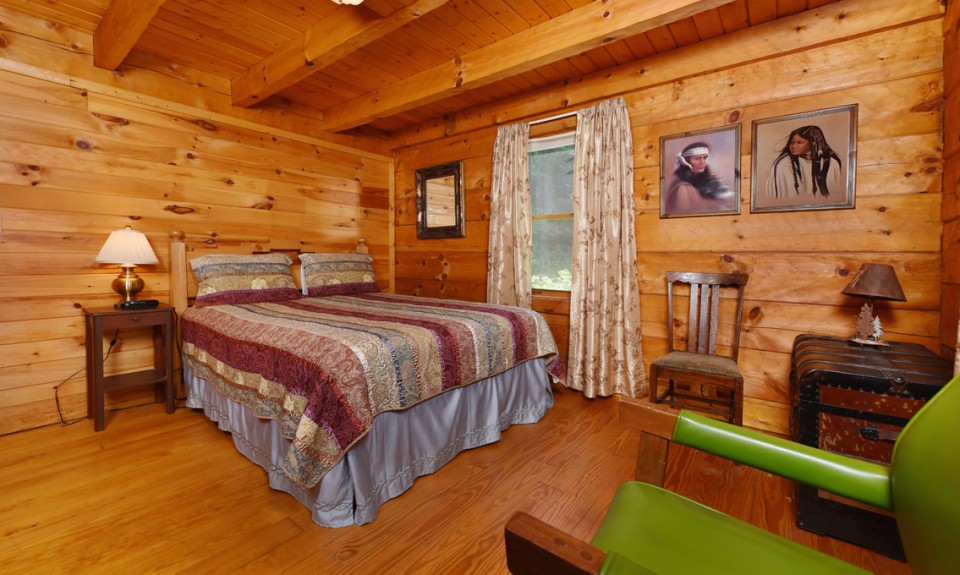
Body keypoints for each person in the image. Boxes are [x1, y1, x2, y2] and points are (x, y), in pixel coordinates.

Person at [765, 125, 842, 200]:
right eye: (792, 142)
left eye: (800, 142)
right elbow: (789, 197)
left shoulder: (831, 163)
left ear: (813, 143)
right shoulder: (784, 164)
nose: (793, 146)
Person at [665, 141, 735, 214]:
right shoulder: (683, 187)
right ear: (687, 161)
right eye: (697, 158)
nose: (702, 162)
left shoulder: (709, 181)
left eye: (705, 157)